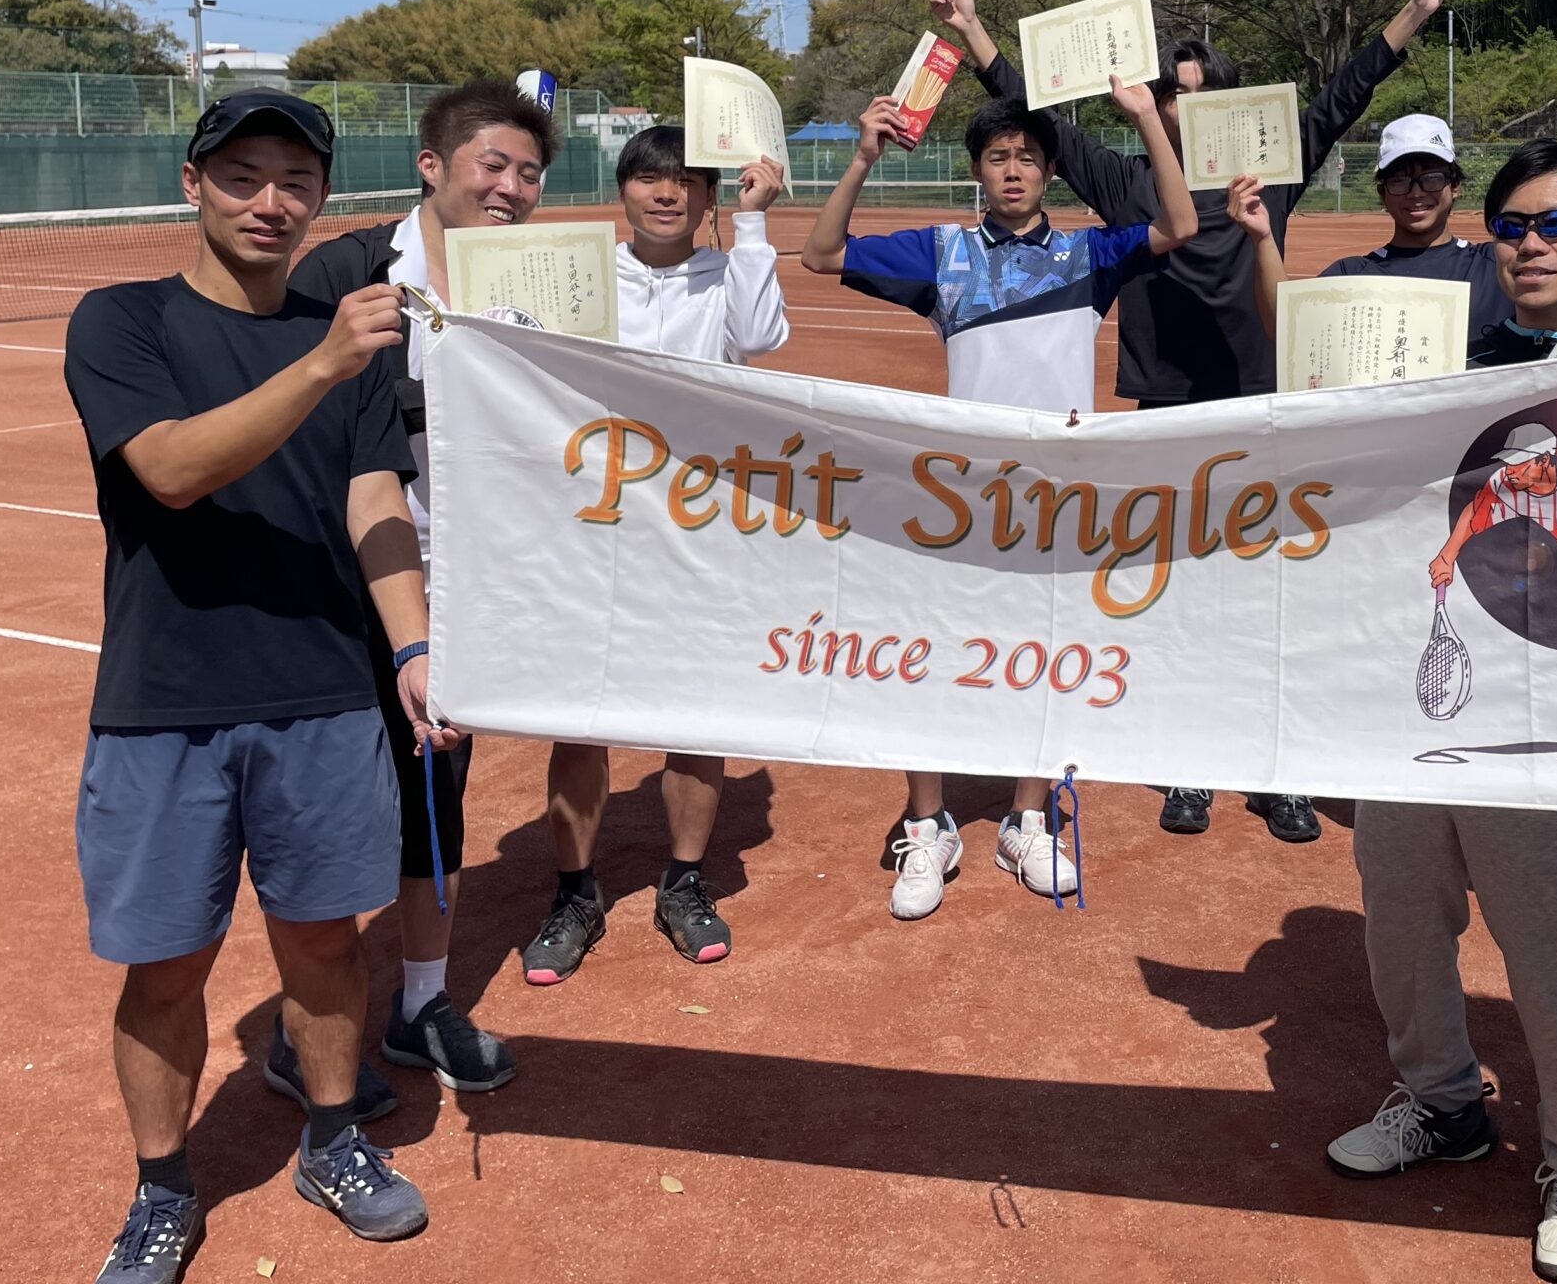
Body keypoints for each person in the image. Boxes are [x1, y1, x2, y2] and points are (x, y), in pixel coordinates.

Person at [935, 0, 1461, 840]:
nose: (1185, 109)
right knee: (1176, 587)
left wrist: (1414, 12)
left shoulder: (1272, 173)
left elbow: (1347, 91)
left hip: (1264, 404)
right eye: (1171, 96)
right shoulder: (1128, 185)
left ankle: (1279, 768)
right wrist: (975, 33)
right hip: (1171, 411)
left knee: (1270, 590)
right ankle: (1186, 759)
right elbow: (1042, 119)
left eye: (1200, 94)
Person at [67, 90, 437, 1279]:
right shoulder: (120, 321)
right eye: (242, 176)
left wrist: (413, 647)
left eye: (295, 180)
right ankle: (162, 1188)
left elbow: (375, 501)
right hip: (163, 704)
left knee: (324, 946)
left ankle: (333, 1141)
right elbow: (173, 469)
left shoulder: (347, 345)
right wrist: (324, 363)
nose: (270, 201)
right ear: (193, 184)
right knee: (166, 966)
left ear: (321, 196)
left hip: (325, 696)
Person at [1316, 138, 1557, 1284]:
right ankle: (1443, 1104)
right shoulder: (1454, 361)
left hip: (1554, 718)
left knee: (1553, 953)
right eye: (1512, 226)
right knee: (1402, 922)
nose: (1530, 245)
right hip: (1415, 705)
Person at [799, 78, 1198, 916]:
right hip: (957, 497)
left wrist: (1144, 120)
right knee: (925, 654)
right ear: (976, 169)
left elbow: (1181, 224)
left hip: (1056, 498)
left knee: (1046, 655)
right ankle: (928, 822)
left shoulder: (1089, 255)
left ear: (1049, 171)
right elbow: (823, 254)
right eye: (996, 157)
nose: (1012, 170)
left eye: (1027, 157)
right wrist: (864, 156)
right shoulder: (941, 252)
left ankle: (1028, 818)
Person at [288, 80, 558, 1096]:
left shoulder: (544, 281)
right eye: (494, 164)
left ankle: (420, 1005)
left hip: (468, 594)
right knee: (327, 808)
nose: (512, 188)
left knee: (434, 803)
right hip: (347, 591)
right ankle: (307, 1023)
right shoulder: (348, 272)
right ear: (432, 166)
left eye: (529, 173)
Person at [522, 127, 790, 987]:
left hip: (697, 534)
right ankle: (574, 893)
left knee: (693, 717)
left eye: (685, 181)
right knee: (581, 719)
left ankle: (683, 882)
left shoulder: (730, 272)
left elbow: (762, 337)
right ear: (623, 190)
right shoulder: (581, 274)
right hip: (593, 528)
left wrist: (752, 224)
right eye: (648, 178)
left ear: (708, 198)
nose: (666, 193)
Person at [1241, 112, 1512, 353]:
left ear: (1455, 187)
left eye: (1432, 178)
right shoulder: (1351, 275)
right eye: (1399, 181)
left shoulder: (1495, 264)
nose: (1416, 193)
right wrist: (1263, 237)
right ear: (1382, 193)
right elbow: (1286, 328)